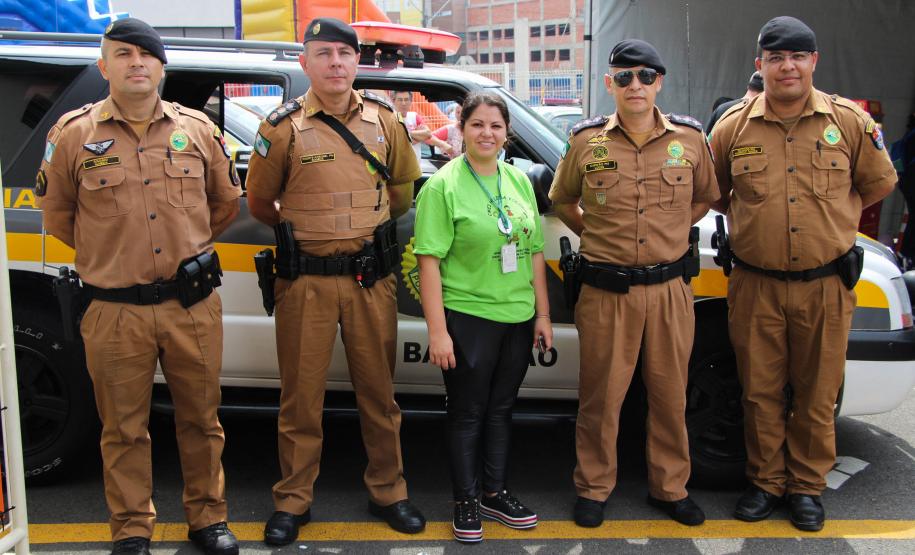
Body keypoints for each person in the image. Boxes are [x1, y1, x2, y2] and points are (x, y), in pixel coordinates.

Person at [36, 18, 241, 555]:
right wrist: (109, 252)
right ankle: (131, 529)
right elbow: (57, 215)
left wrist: (187, 245)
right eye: (123, 54)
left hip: (190, 305)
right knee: (123, 429)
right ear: (104, 67)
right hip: (113, 308)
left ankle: (208, 519)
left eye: (146, 54)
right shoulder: (73, 134)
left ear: (161, 65)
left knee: (201, 419)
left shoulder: (197, 130)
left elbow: (224, 204)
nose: (136, 63)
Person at [709, 16, 897, 532]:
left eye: (797, 56)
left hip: (826, 284)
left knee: (816, 392)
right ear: (760, 65)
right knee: (759, 390)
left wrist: (835, 217)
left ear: (814, 61)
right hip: (755, 284)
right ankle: (767, 483)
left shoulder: (849, 123)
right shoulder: (732, 127)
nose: (786, 66)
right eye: (775, 58)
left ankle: (808, 488)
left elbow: (878, 183)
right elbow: (716, 194)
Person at [244, 17, 426, 546]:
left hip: (370, 280)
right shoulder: (281, 128)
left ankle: (389, 491)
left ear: (356, 62)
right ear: (305, 63)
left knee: (379, 394)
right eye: (323, 54)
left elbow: (401, 193)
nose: (336, 63)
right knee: (300, 398)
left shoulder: (386, 121)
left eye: (344, 54)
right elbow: (260, 203)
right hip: (305, 284)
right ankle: (293, 499)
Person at [548, 39, 719, 528]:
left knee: (670, 394)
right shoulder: (586, 142)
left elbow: (706, 196)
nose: (635, 85)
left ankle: (670, 488)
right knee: (601, 396)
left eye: (645, 76)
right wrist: (596, 235)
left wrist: (668, 234)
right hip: (606, 292)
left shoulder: (688, 139)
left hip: (669, 290)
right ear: (610, 84)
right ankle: (594, 487)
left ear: (659, 81)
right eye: (624, 77)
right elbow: (563, 200)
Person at [414, 91, 553, 543]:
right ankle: (466, 499)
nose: (486, 133)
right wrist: (438, 332)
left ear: (506, 132)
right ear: (461, 128)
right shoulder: (443, 185)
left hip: (517, 314)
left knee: (502, 409)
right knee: (468, 413)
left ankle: (494, 492)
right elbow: (428, 261)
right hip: (468, 315)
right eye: (477, 125)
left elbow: (532, 252)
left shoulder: (517, 181)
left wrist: (542, 315)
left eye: (495, 125)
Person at [392, 90, 455, 159]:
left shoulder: (414, 116)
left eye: (406, 100)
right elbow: (397, 141)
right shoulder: (390, 118)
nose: (403, 103)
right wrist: (418, 135)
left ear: (410, 102)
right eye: (400, 100)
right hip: (396, 162)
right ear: (393, 101)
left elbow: (428, 134)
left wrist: (411, 134)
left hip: (416, 163)